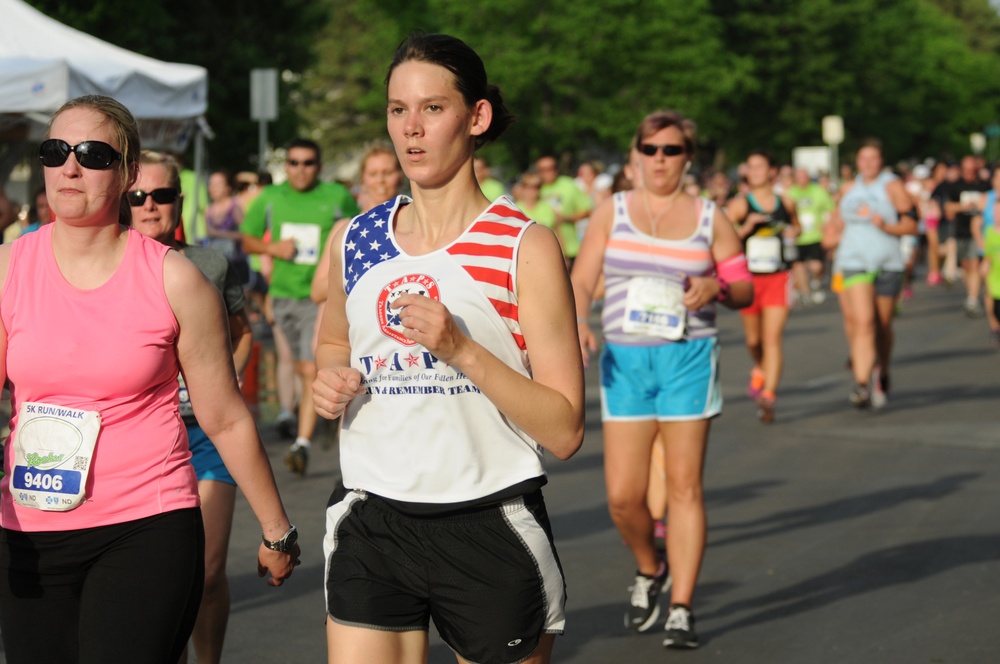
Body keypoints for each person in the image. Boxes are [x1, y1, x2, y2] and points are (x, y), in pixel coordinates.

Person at [313, 32, 584, 664]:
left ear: (477, 117)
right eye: (397, 110)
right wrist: (330, 377)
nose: (411, 129)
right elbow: (333, 340)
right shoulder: (355, 240)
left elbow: (566, 428)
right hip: (372, 517)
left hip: (487, 521)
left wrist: (461, 348)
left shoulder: (524, 244)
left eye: (433, 109)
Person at [0, 94, 299, 664]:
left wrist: (276, 528)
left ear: (128, 172)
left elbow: (225, 414)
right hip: (30, 528)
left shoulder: (176, 278)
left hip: (146, 522)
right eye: (55, 150)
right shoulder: (8, 268)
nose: (70, 166)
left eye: (91, 153)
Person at [571, 110, 752, 649]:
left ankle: (681, 608)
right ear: (636, 155)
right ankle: (650, 568)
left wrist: (714, 286)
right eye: (650, 149)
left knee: (683, 486)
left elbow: (744, 290)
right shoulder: (613, 211)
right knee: (624, 498)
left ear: (688, 157)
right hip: (625, 361)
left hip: (688, 358)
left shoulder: (708, 217)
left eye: (672, 150)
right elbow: (581, 281)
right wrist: (579, 322)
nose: (660, 159)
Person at [128, 151, 251, 664]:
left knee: (206, 567)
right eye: (137, 197)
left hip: (206, 432)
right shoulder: (110, 265)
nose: (150, 206)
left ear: (180, 201)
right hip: (144, 435)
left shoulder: (210, 263)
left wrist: (226, 377)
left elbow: (241, 332)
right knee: (160, 577)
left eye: (161, 195)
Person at [241, 138, 360, 475]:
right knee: (292, 364)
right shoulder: (270, 198)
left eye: (308, 162)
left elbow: (356, 235)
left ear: (318, 166)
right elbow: (247, 237)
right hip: (281, 294)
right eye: (293, 162)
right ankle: (311, 416)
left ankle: (302, 442)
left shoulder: (336, 197)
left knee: (310, 367)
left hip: (320, 297)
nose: (300, 169)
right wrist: (272, 249)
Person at [826, 138, 917, 408]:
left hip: (887, 262)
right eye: (862, 158)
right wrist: (831, 233)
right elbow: (835, 221)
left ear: (881, 160)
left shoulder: (892, 186)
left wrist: (887, 227)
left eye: (873, 158)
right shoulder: (848, 188)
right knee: (863, 321)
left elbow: (912, 225)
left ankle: (883, 369)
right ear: (856, 162)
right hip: (853, 260)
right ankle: (862, 383)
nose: (867, 163)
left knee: (882, 325)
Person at [725, 151, 800, 423]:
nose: (754, 171)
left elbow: (797, 228)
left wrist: (793, 232)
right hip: (749, 278)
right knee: (754, 340)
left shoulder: (785, 202)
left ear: (771, 171)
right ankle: (759, 367)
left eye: (760, 166)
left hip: (778, 276)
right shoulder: (740, 204)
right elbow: (726, 240)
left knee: (772, 339)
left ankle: (768, 394)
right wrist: (746, 227)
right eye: (751, 166)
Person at [787, 167, 834, 304]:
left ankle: (816, 281)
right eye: (799, 176)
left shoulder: (818, 191)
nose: (802, 179)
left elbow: (831, 210)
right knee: (798, 265)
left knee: (817, 266)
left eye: (804, 176)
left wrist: (828, 228)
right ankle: (806, 293)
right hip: (797, 237)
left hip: (815, 236)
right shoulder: (790, 193)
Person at [537, 153, 592, 268]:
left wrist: (566, 218)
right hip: (543, 252)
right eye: (544, 169)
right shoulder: (534, 188)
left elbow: (587, 210)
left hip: (571, 248)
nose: (548, 172)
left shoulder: (568, 184)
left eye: (551, 168)